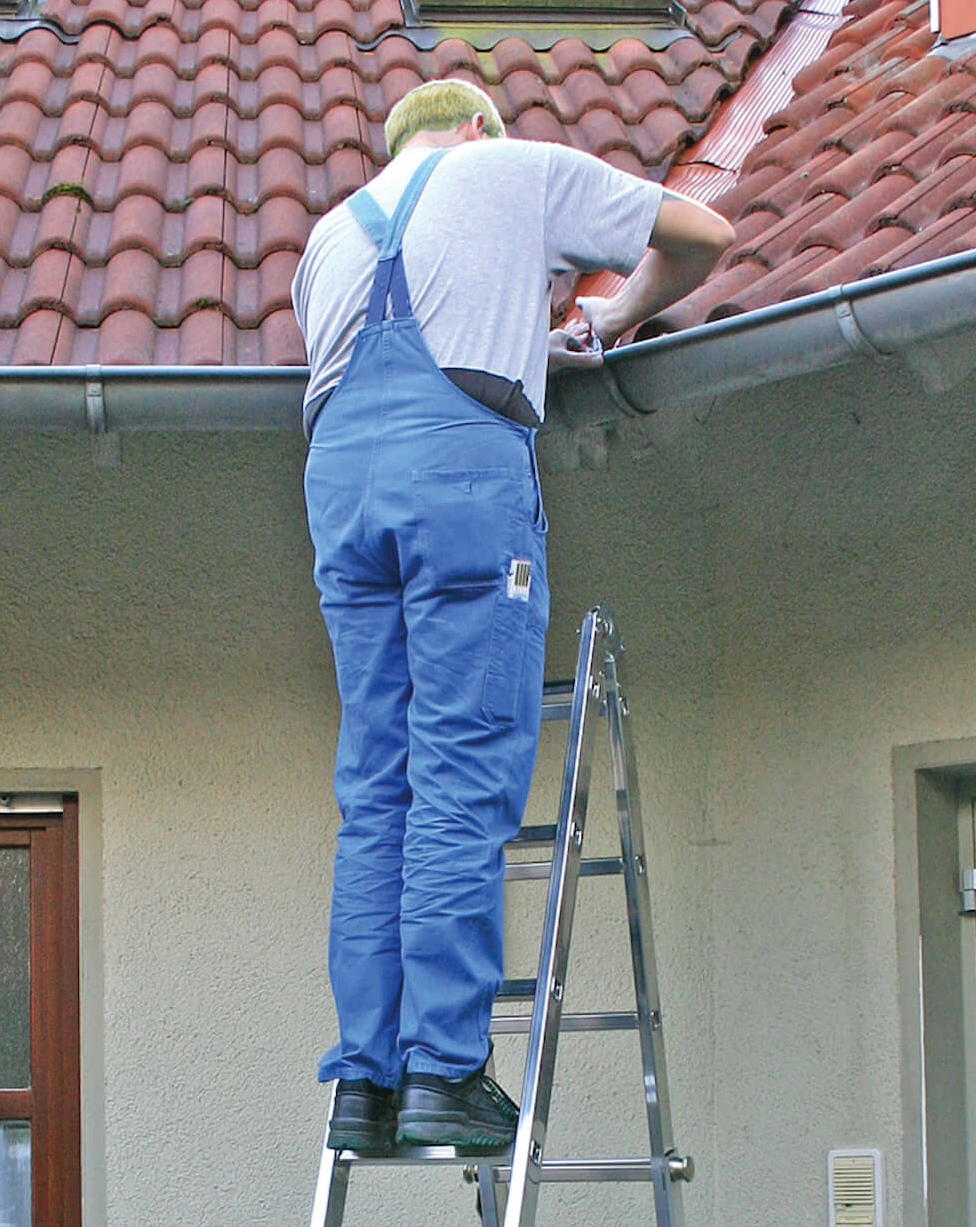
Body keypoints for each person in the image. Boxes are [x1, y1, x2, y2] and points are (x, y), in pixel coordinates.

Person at [290, 77, 733, 1157]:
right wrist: (611, 315)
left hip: (340, 483)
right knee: (457, 770)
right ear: (475, 125)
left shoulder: (326, 237)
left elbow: (444, 314)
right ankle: (446, 1069)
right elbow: (699, 233)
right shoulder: (512, 165)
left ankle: (367, 1080)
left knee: (375, 784)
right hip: (457, 475)